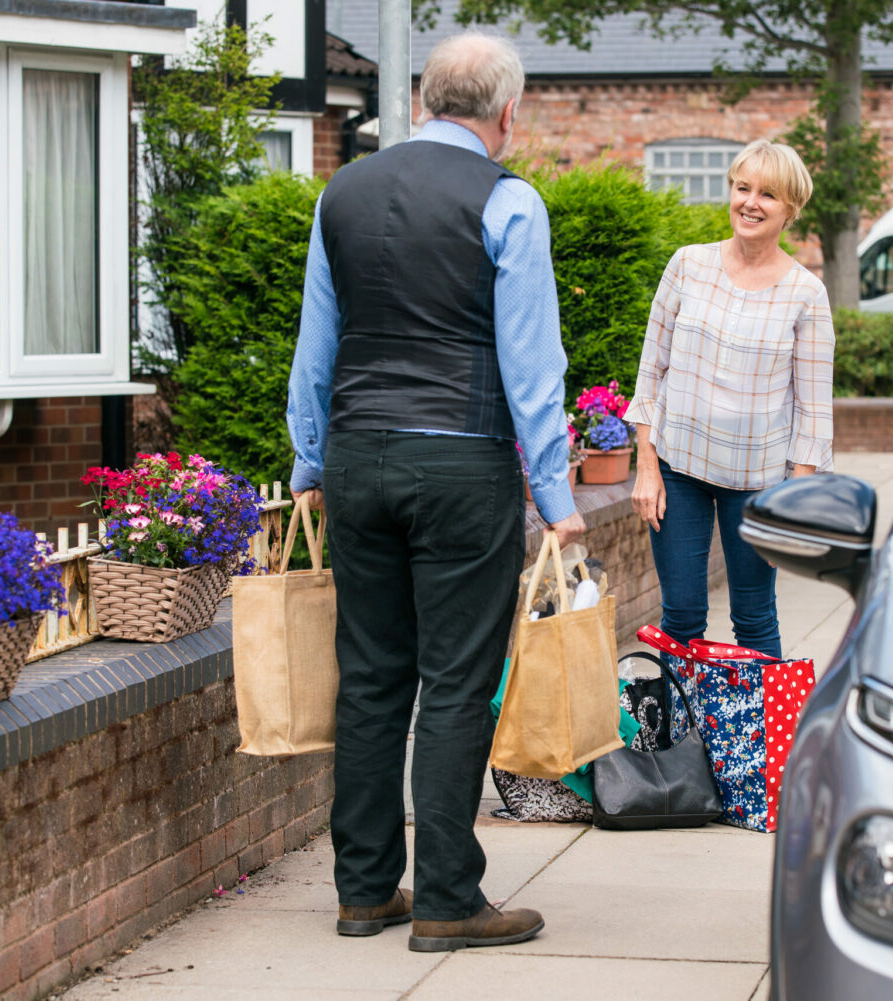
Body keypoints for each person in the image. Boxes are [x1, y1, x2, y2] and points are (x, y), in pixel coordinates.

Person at [285, 30, 584, 954]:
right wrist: (557, 492)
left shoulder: (343, 192)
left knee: (372, 676)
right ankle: (451, 895)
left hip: (358, 461)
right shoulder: (509, 201)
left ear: (420, 99)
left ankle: (367, 890)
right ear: (507, 112)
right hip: (461, 462)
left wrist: (309, 464)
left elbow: (316, 347)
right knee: (456, 680)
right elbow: (531, 365)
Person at [626, 139, 833, 658]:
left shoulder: (806, 294)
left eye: (768, 194)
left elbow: (813, 415)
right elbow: (652, 371)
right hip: (679, 467)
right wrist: (646, 466)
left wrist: (793, 507)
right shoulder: (687, 265)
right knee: (681, 616)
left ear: (791, 209)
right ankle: (678, 736)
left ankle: (757, 740)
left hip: (759, 483)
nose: (751, 202)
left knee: (754, 615)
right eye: (743, 188)